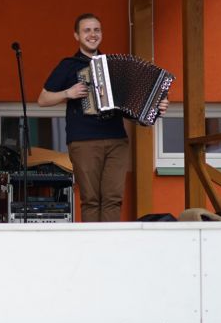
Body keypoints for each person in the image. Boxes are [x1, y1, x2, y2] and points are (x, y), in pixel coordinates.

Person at [38, 13, 166, 222]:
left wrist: (157, 106)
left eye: (97, 30)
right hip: (83, 141)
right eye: (87, 30)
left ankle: (111, 241)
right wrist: (68, 93)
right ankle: (92, 241)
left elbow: (133, 104)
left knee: (113, 198)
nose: (92, 34)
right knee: (91, 199)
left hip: (116, 140)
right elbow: (43, 99)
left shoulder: (113, 65)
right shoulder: (68, 65)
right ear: (76, 36)